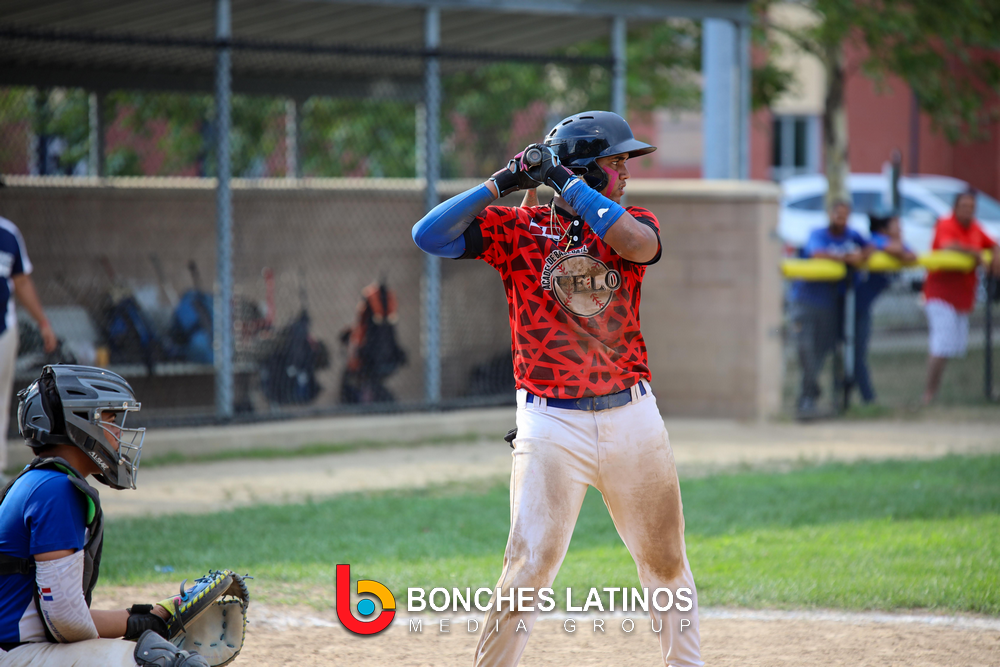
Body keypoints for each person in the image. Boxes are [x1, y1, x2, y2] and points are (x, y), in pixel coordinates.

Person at [412, 111, 702, 667]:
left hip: (632, 417)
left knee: (665, 561)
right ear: (590, 169)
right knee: (528, 566)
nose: (626, 172)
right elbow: (428, 236)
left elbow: (638, 246)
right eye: (616, 162)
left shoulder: (630, 221)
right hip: (550, 423)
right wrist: (502, 183)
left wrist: (568, 183)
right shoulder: (519, 229)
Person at [0, 365, 211, 667]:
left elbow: (59, 617)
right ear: (80, 423)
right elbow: (66, 621)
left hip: (16, 650)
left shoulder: (38, 481)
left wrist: (148, 617)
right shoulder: (56, 491)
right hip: (15, 654)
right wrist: (140, 625)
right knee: (162, 661)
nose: (118, 433)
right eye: (110, 420)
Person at [789, 199, 873, 419]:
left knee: (819, 354)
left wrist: (861, 254)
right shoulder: (818, 233)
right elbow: (817, 253)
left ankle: (808, 399)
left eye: (844, 215)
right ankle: (810, 393)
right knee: (805, 350)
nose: (840, 219)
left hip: (829, 305)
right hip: (804, 300)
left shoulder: (852, 235)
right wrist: (847, 257)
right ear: (829, 214)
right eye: (837, 214)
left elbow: (870, 247)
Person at [0, 183, 57, 483]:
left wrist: (43, 323)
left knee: (0, 400)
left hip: (3, 330)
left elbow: (22, 282)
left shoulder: (8, 234)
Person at [922, 189, 1000, 405]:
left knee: (954, 347)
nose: (968, 210)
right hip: (940, 295)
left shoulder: (975, 227)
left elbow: (992, 243)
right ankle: (929, 394)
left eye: (971, 207)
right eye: (964, 206)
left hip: (962, 297)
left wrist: (995, 253)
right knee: (941, 344)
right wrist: (976, 253)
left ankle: (954, 393)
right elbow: (948, 246)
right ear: (955, 207)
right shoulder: (946, 224)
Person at [853, 211, 916, 404]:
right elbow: (894, 249)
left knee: (856, 353)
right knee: (852, 353)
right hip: (849, 304)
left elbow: (911, 256)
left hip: (862, 307)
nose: (901, 230)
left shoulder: (891, 242)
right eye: (896, 226)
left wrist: (900, 250)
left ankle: (864, 398)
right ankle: (864, 398)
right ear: (883, 229)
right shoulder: (875, 239)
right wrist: (899, 250)